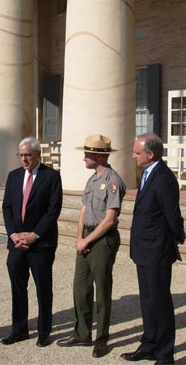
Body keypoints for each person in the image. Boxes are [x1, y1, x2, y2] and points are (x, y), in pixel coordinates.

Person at [57, 134, 126, 358]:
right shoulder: (91, 180)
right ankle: (82, 333)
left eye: (87, 154)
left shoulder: (113, 180)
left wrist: (88, 240)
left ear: (99, 156)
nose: (84, 158)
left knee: (102, 291)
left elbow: (110, 219)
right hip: (86, 237)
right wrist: (79, 239)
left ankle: (101, 339)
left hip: (103, 240)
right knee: (81, 288)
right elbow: (84, 211)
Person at [121, 133, 186, 365]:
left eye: (137, 152)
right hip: (143, 249)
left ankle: (165, 355)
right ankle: (149, 344)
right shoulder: (148, 173)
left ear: (150, 154)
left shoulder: (164, 178)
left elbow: (172, 215)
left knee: (160, 303)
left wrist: (177, 237)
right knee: (147, 300)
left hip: (157, 250)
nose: (133, 156)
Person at [1, 136, 63, 347]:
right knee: (18, 288)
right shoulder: (14, 176)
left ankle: (44, 331)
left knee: (43, 287)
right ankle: (19, 329)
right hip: (17, 243)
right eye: (21, 155)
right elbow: (7, 208)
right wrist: (13, 235)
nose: (24, 159)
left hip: (41, 244)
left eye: (28, 155)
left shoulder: (51, 176)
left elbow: (53, 210)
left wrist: (34, 235)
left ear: (38, 154)